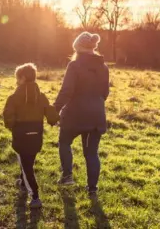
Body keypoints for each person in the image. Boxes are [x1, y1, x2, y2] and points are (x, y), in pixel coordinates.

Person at [54, 32, 110, 198]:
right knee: (91, 153)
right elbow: (105, 93)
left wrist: (55, 108)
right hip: (96, 116)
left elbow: (66, 91)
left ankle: (67, 176)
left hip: (74, 115)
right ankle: (92, 190)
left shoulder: (74, 65)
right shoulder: (104, 67)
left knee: (64, 142)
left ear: (77, 48)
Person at [3, 63, 59, 208]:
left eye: (17, 78)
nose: (16, 81)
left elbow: (8, 118)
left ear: (22, 78)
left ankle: (35, 196)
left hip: (21, 135)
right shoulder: (42, 97)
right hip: (37, 135)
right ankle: (22, 180)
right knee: (28, 161)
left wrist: (13, 126)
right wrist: (54, 120)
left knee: (26, 165)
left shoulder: (13, 98)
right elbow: (51, 116)